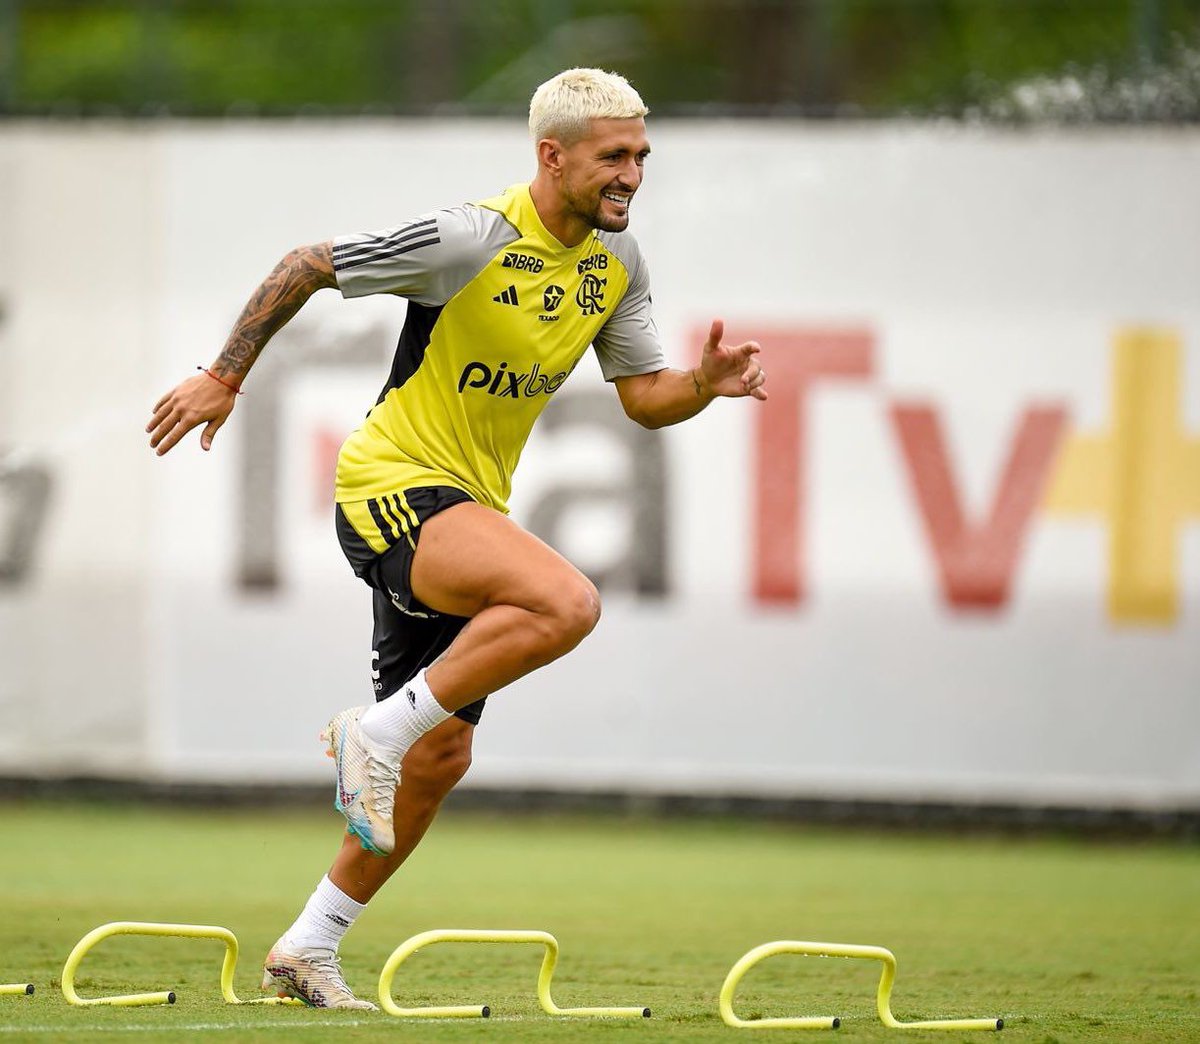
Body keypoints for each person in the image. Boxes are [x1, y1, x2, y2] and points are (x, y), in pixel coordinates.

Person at [146, 67, 767, 1009]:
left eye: (642, 154)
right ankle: (373, 735)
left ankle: (305, 949)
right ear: (550, 157)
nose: (634, 174)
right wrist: (224, 377)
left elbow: (644, 399)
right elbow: (306, 263)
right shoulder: (468, 237)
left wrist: (700, 384)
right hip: (390, 487)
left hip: (469, 503)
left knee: (441, 760)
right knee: (566, 602)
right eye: (614, 156)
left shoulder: (617, 264)